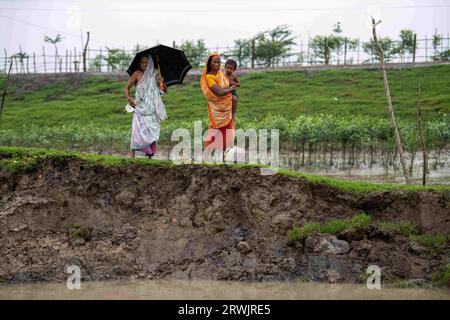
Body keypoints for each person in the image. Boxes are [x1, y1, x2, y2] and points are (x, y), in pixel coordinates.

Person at [124, 54, 167, 159]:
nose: (145, 64)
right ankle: (132, 155)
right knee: (137, 131)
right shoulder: (137, 74)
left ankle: (149, 157)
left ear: (150, 64)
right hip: (140, 108)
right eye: (143, 62)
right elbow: (126, 88)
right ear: (139, 63)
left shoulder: (156, 74)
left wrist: (162, 83)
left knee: (151, 132)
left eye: (147, 62)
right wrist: (128, 98)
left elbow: (164, 91)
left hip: (152, 108)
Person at [200, 53, 237, 153]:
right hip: (217, 109)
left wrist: (231, 87)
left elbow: (228, 83)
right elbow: (220, 92)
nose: (217, 64)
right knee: (215, 129)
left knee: (227, 130)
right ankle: (208, 151)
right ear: (209, 63)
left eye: (218, 62)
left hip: (227, 107)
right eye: (214, 62)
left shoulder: (221, 74)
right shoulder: (209, 77)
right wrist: (231, 88)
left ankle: (225, 152)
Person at [224, 59, 240, 124]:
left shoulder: (233, 76)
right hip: (224, 91)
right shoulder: (222, 75)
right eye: (227, 68)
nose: (229, 70)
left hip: (232, 92)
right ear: (225, 67)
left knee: (235, 99)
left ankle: (233, 114)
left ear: (234, 70)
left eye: (231, 69)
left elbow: (239, 84)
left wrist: (233, 83)